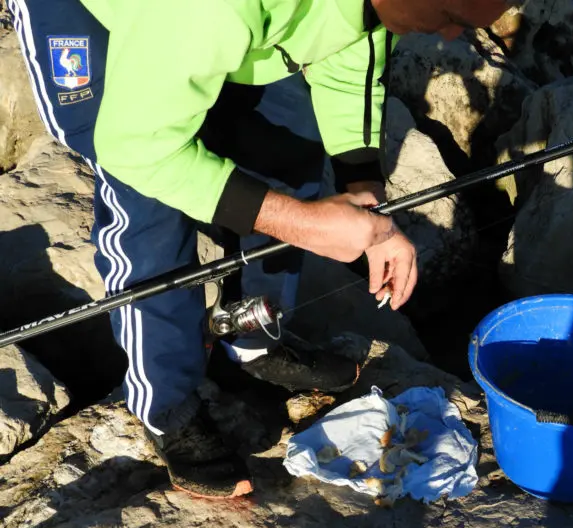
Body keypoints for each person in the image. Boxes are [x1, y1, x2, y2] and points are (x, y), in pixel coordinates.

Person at [7, 0, 517, 499]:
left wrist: (365, 197)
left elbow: (351, 49)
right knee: (145, 204)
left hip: (215, 22)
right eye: (452, 19)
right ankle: (165, 405)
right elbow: (138, 148)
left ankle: (251, 334)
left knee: (286, 133)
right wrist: (301, 224)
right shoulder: (210, 10)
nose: (453, 38)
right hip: (87, 11)